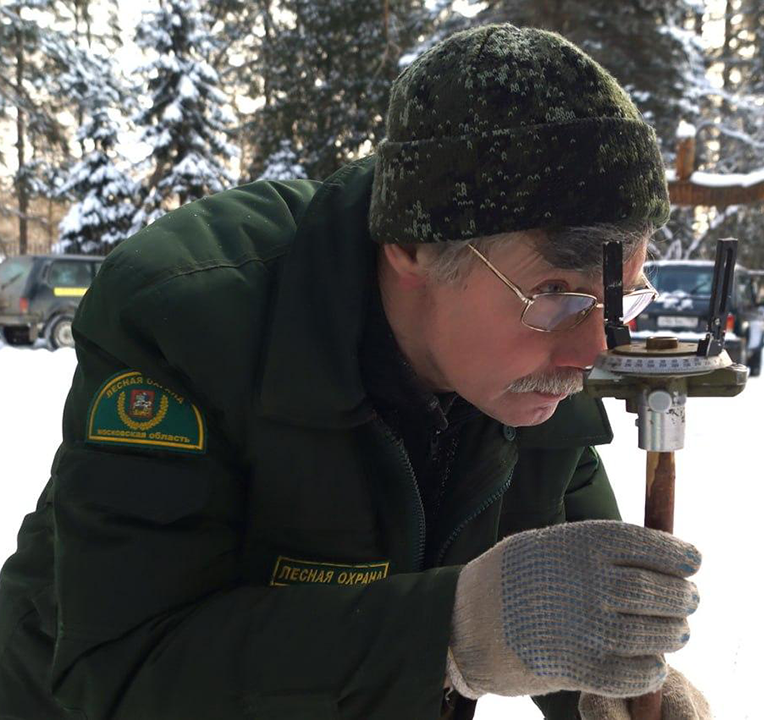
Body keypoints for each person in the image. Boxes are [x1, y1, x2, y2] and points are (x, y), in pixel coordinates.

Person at [0, 24, 711, 720]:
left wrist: (608, 684)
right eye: (555, 292)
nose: (591, 353)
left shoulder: (538, 374)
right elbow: (120, 665)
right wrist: (450, 633)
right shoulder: (188, 322)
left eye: (621, 298)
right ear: (413, 244)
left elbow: (557, 603)